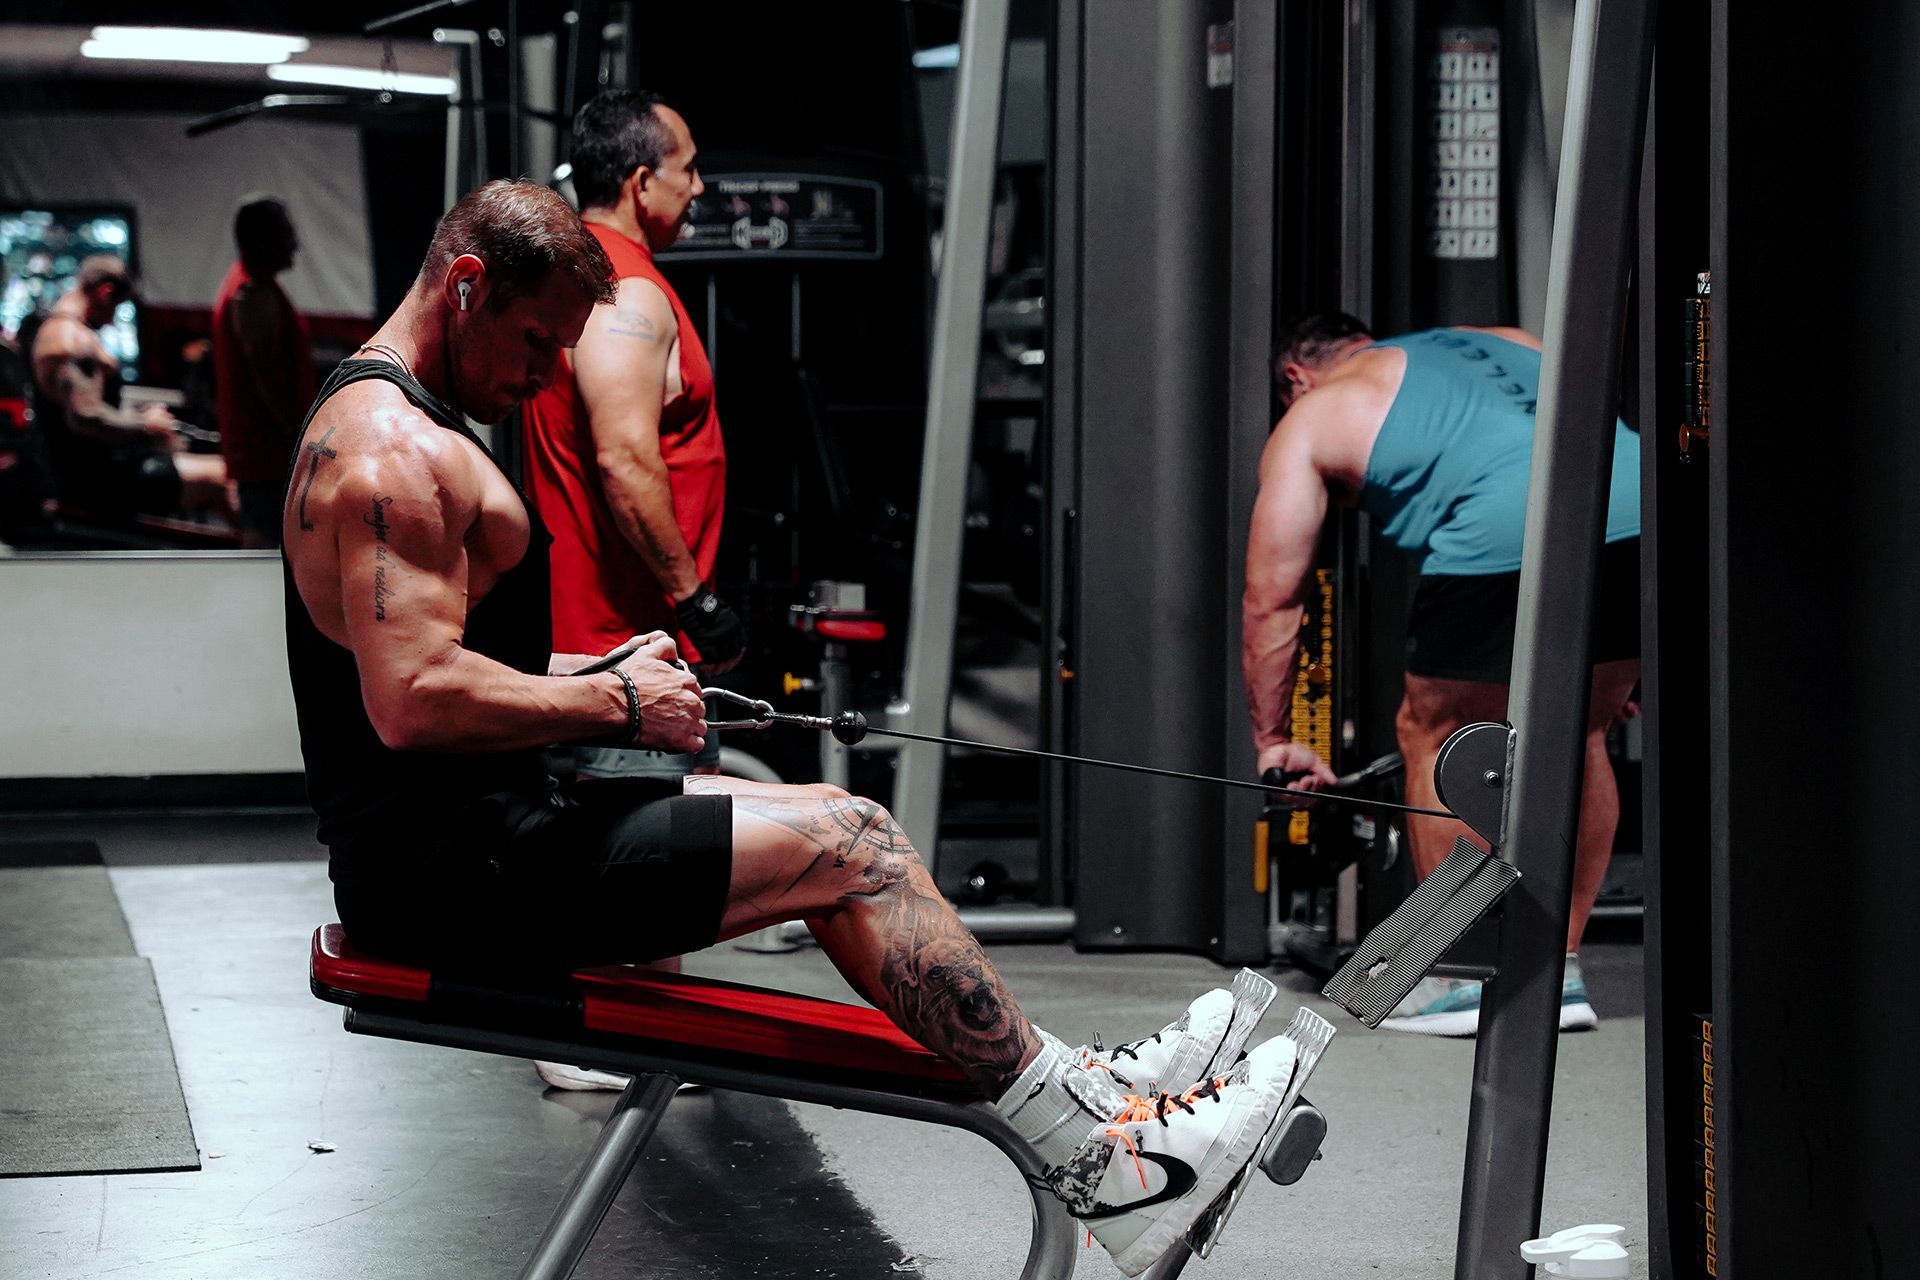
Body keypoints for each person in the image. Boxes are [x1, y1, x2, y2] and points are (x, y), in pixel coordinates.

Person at [281, 179, 1322, 1277]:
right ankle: (1107, 1163)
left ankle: (1096, 1099)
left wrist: (596, 665)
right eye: (536, 341)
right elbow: (410, 703)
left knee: (850, 818)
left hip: (486, 839)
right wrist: (618, 703)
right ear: (467, 286)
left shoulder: (386, 417)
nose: (544, 377)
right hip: (464, 883)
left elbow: (431, 660)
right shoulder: (389, 452)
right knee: (855, 849)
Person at [1242, 313, 1640, 1037]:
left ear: (1296, 377)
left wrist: (1273, 737)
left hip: (1502, 524)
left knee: (1436, 731)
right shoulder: (1508, 339)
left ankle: (1459, 970)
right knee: (1580, 730)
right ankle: (1561, 970)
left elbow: (1274, 598)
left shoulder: (1314, 411)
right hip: (1639, 502)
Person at [522, 90, 744, 792]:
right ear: (642, 183)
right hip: (628, 655)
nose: (699, 187)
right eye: (689, 169)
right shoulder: (624, 289)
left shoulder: (576, 275)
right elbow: (622, 457)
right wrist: (694, 600)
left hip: (610, 656)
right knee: (668, 889)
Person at [29, 255, 230, 522]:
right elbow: (85, 417)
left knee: (201, 463)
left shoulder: (59, 331)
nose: (112, 320)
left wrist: (140, 418)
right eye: (116, 308)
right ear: (105, 292)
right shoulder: (73, 340)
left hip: (88, 476)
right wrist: (146, 425)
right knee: (225, 477)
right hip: (97, 487)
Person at [214, 195, 315, 546]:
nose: (295, 244)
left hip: (266, 460)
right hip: (267, 462)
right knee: (269, 558)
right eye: (285, 234)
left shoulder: (253, 285)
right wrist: (303, 439)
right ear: (260, 239)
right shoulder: (250, 292)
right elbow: (268, 383)